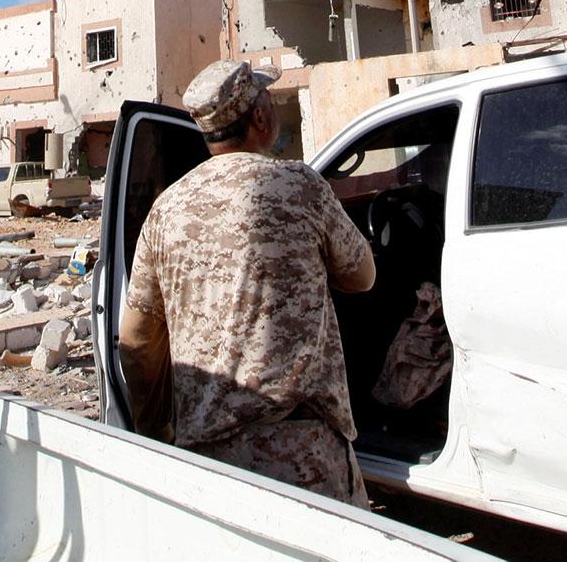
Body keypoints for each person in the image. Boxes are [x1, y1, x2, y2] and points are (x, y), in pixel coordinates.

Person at [117, 59, 377, 504]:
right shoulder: (300, 186)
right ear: (259, 117)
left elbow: (137, 340)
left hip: (208, 462)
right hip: (304, 456)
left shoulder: (167, 209)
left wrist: (155, 430)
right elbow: (363, 276)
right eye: (268, 99)